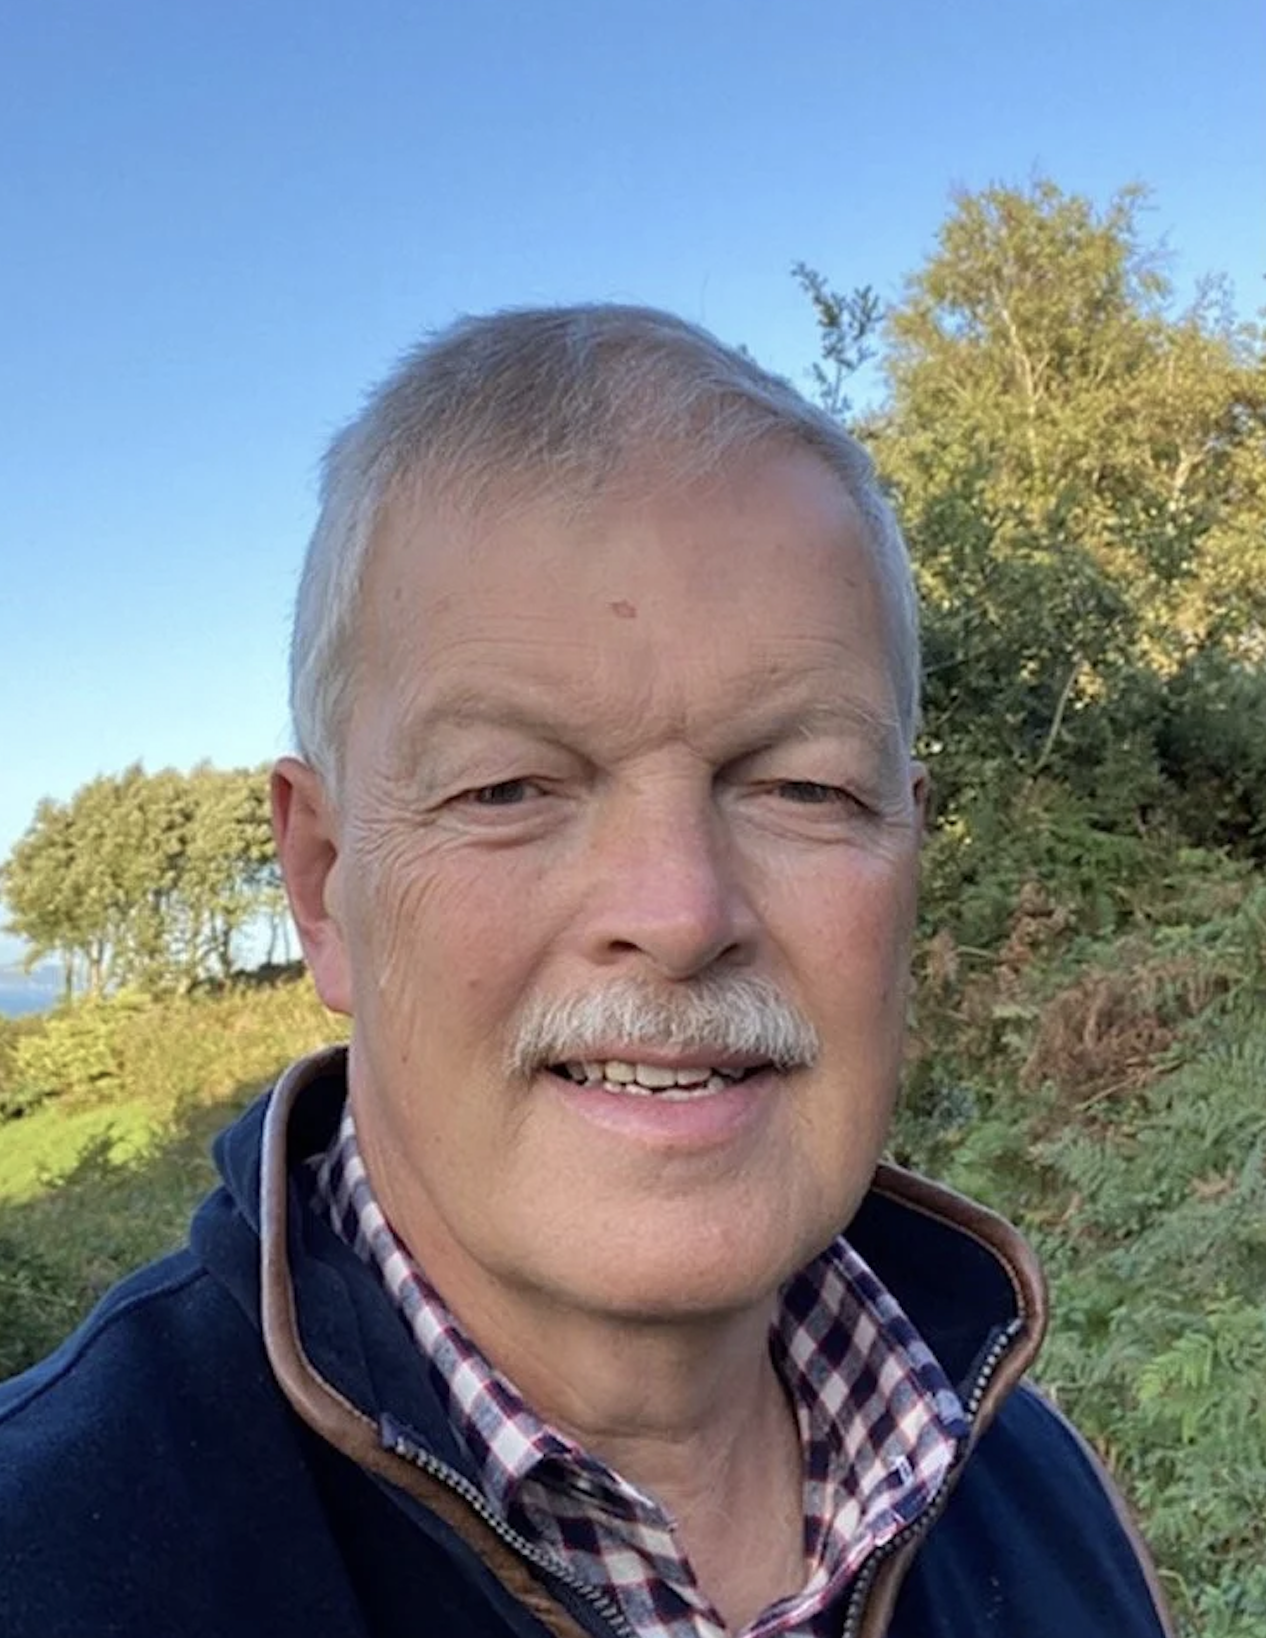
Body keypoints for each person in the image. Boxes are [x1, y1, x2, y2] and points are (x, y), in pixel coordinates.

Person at [0, 306, 1173, 1638]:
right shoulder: (44, 1566)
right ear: (324, 881)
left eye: (801, 785)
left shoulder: (1047, 1492)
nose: (677, 913)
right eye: (508, 787)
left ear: (905, 844)